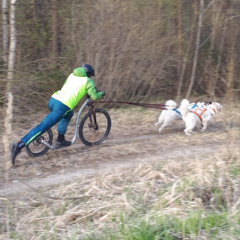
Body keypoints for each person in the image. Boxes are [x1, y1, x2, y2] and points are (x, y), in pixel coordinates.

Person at [11, 64, 105, 165]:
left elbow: (66, 86)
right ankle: (19, 145)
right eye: (90, 75)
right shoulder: (88, 81)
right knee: (43, 126)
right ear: (89, 74)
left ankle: (60, 139)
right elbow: (94, 96)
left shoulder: (72, 75)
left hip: (53, 100)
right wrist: (101, 93)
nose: (90, 77)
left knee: (69, 114)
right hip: (62, 106)